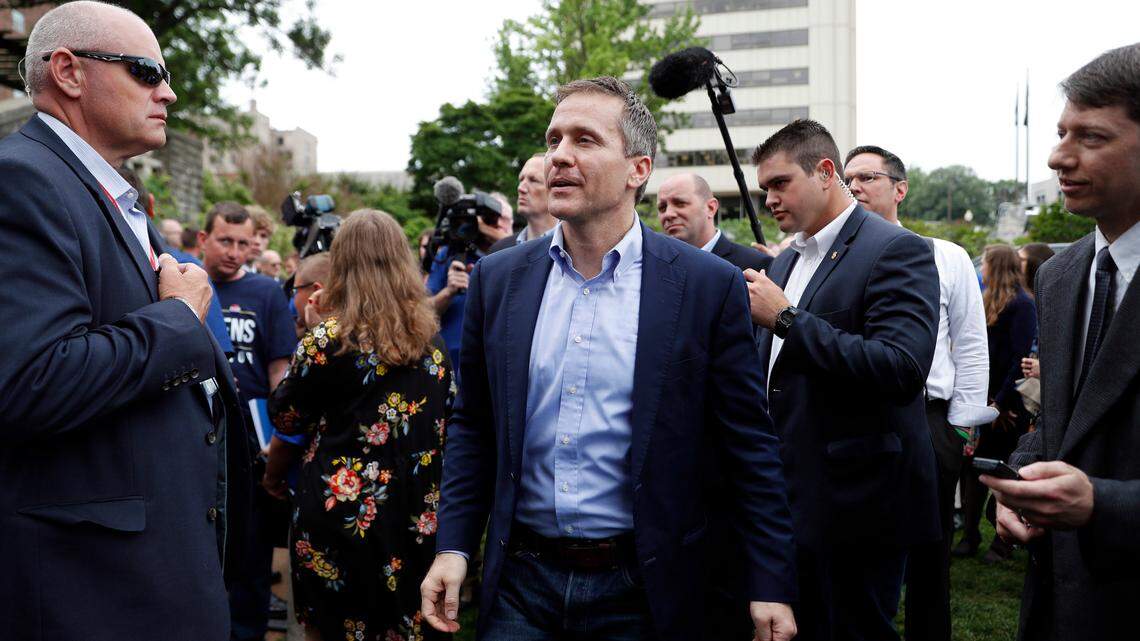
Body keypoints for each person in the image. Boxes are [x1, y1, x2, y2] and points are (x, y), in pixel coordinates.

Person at [421, 76, 797, 641]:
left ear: (637, 169)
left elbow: (748, 443)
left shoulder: (706, 286)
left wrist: (769, 579)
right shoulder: (499, 280)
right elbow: (474, 425)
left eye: (584, 140)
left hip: (645, 585)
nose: (559, 156)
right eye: (553, 140)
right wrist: (453, 545)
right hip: (520, 581)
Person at [0, 3, 249, 639]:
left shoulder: (89, 187)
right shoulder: (24, 180)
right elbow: (32, 380)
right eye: (145, 71)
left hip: (146, 572)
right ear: (69, 72)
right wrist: (177, 320)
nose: (166, 91)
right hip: (90, 590)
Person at [746, 119, 940, 641]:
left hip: (860, 503)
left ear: (826, 172)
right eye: (764, 188)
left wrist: (787, 319)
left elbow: (901, 367)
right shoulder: (785, 261)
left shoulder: (896, 249)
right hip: (792, 495)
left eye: (780, 183)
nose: (770, 200)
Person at [983, 43, 1140, 641]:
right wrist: (1020, 485)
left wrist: (1104, 504)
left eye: (1091, 138)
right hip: (1058, 603)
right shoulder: (1059, 273)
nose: (1057, 157)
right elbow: (1061, 420)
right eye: (1059, 133)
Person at [267, 209, 454, 641]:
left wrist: (311, 331)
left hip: (341, 512)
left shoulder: (328, 338)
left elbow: (287, 414)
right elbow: (448, 414)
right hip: (415, 511)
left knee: (334, 628)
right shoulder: (432, 339)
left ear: (342, 262)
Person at [844, 144, 995, 641]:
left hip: (929, 421)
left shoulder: (945, 256)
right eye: (848, 180)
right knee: (855, 552)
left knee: (930, 559)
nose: (855, 187)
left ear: (899, 188)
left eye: (866, 177)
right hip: (853, 421)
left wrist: (961, 427)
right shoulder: (833, 256)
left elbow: (971, 344)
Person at [199, 201, 298, 641]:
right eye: (225, 241)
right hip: (198, 434)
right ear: (204, 240)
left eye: (243, 243)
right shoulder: (184, 283)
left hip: (250, 440)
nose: (235, 252)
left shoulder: (266, 293)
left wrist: (275, 436)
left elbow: (279, 370)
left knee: (253, 553)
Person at [956, 245, 1036, 563]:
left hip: (1006, 404)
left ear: (997, 266)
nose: (982, 269)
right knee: (970, 468)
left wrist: (1000, 403)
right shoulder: (986, 299)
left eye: (986, 263)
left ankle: (1003, 542)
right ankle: (971, 534)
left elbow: (1018, 360)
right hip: (982, 400)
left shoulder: (1022, 305)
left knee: (1004, 472)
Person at [426, 192, 512, 368]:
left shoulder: (517, 257)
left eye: (502, 219)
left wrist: (495, 236)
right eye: (488, 219)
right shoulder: (449, 255)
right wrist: (448, 292)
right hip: (448, 361)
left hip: (496, 364)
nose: (497, 225)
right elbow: (423, 311)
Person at [656, 172, 771, 271]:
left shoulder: (755, 265)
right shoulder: (656, 267)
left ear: (711, 208)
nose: (668, 214)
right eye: (662, 208)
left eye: (680, 203)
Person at [489, 153, 558, 253]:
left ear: (557, 187)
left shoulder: (575, 248)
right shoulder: (500, 250)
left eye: (533, 180)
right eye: (521, 179)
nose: (521, 188)